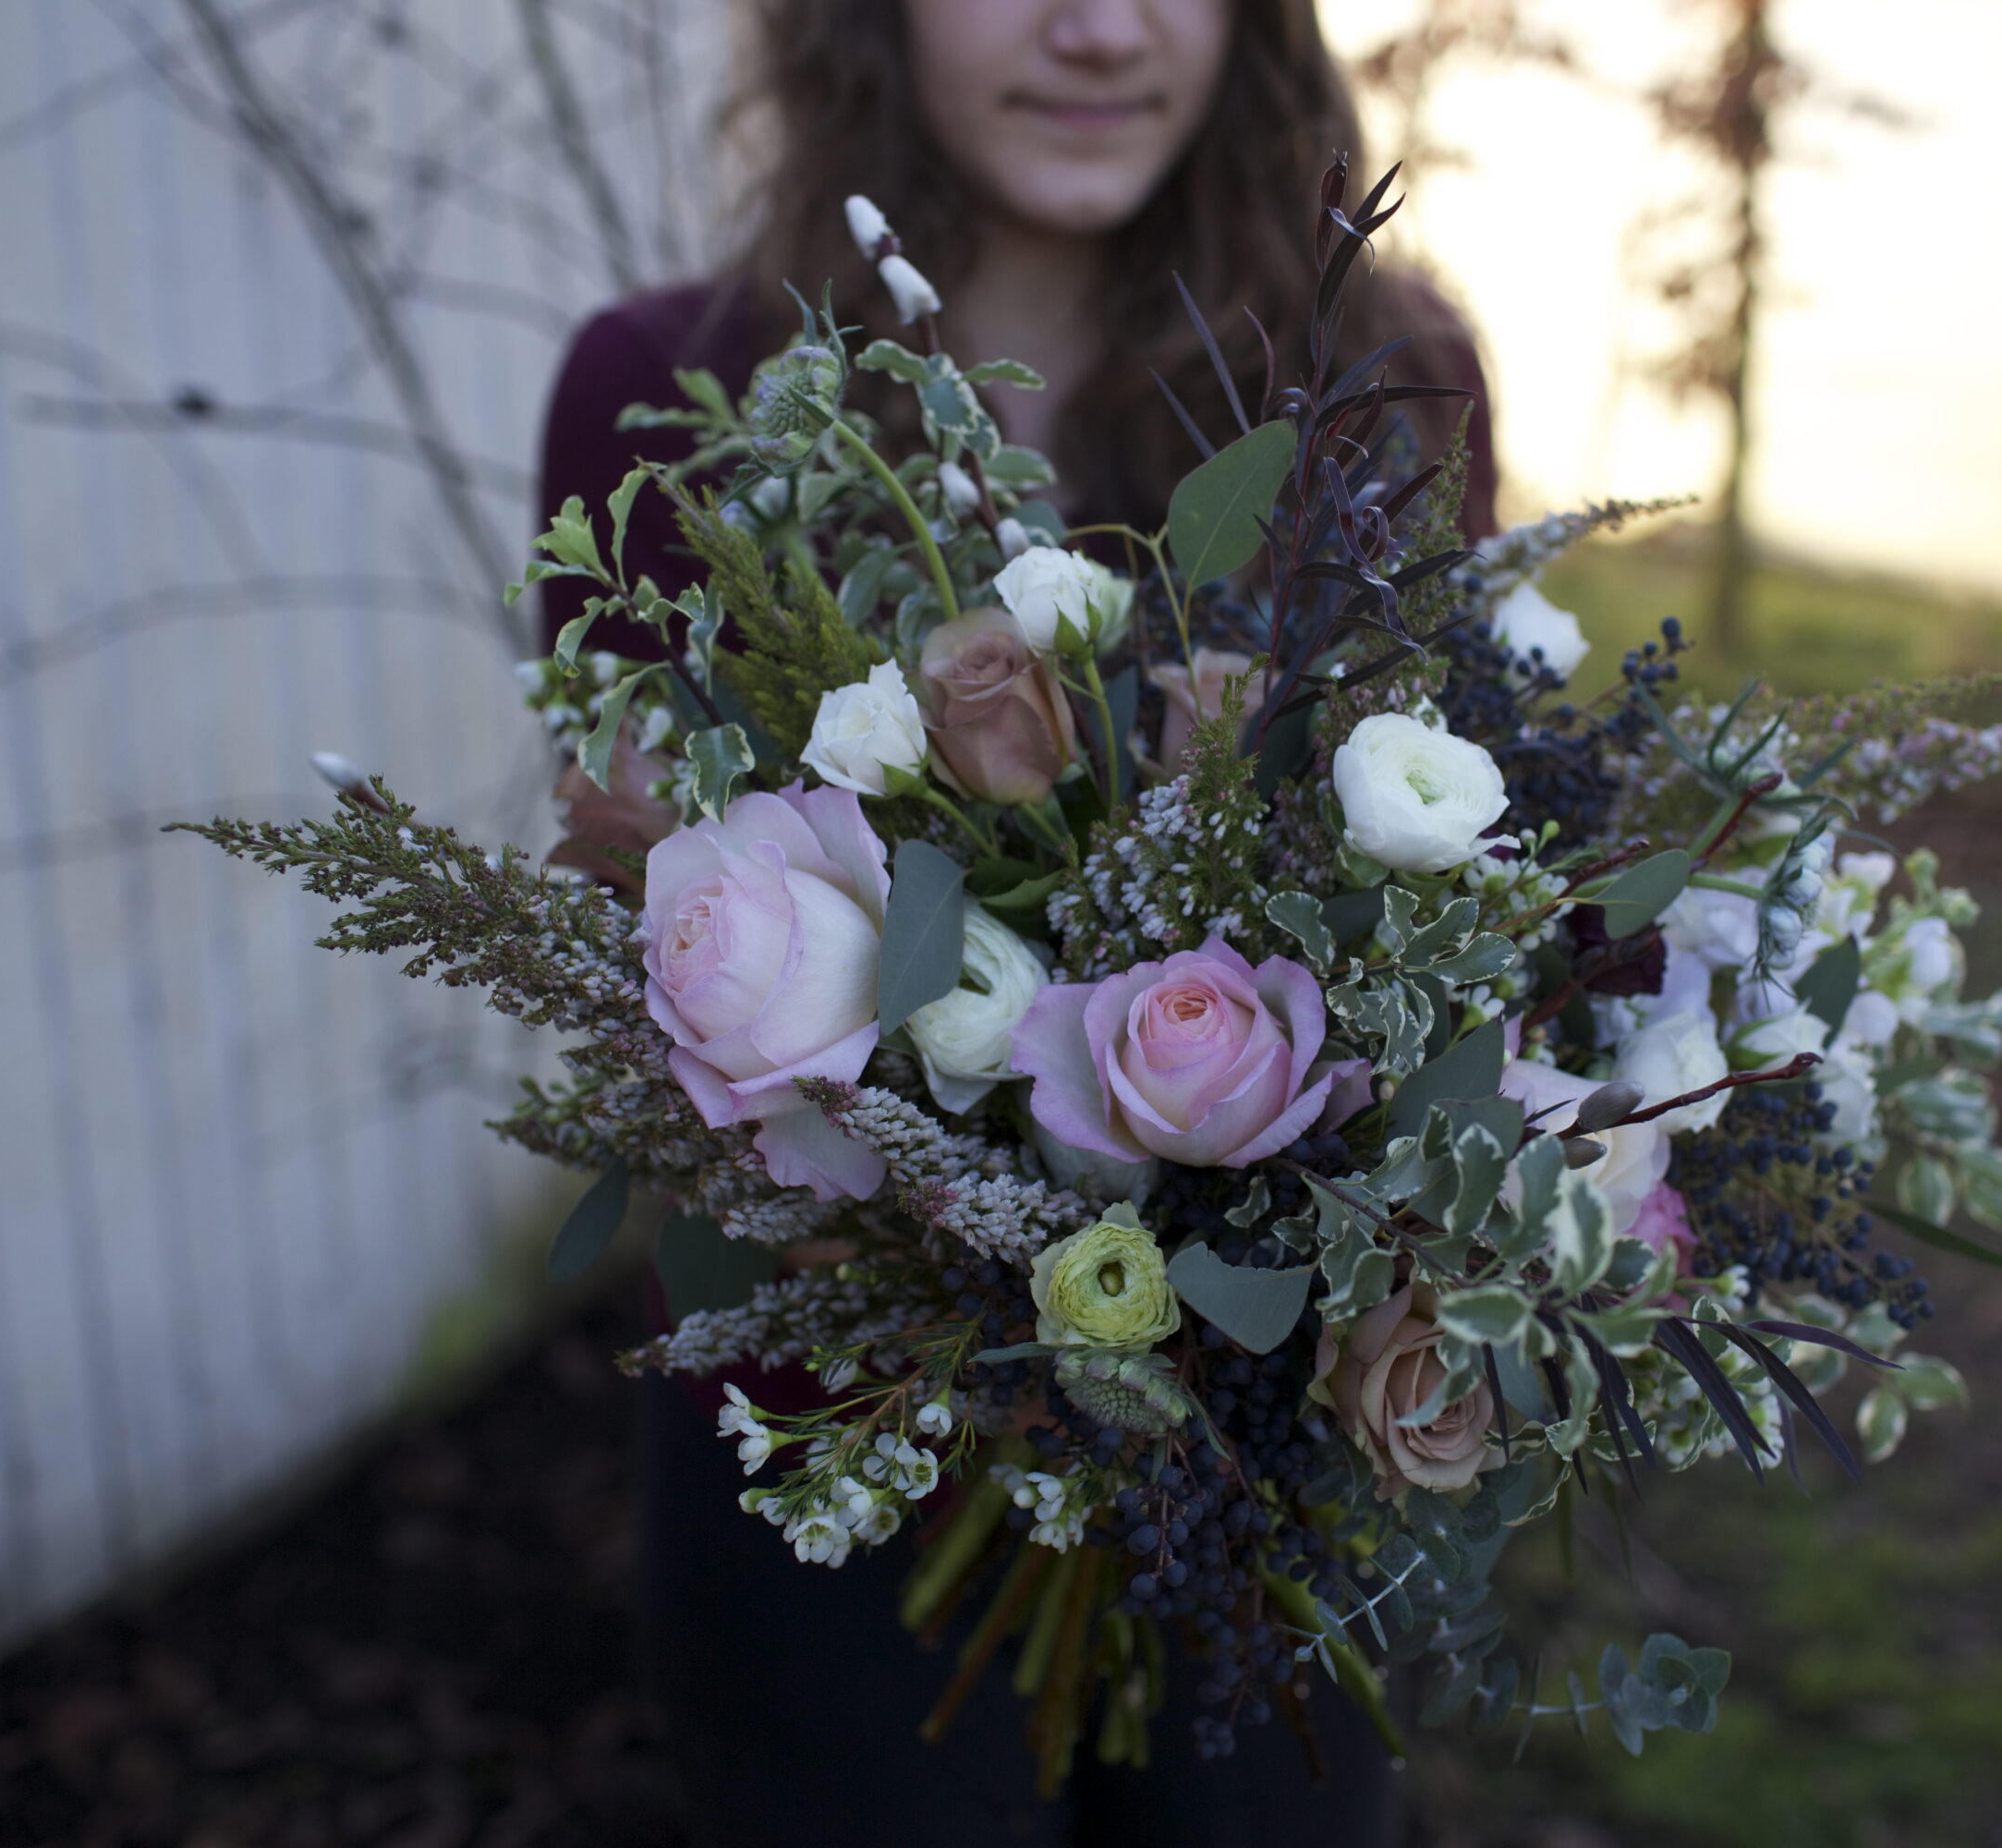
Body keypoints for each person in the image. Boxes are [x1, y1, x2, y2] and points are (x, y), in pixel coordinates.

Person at [531, 4, 1498, 1841]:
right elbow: (653, 939)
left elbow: (1450, 871)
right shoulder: (665, 394)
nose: (1096, 28)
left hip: (1267, 1429)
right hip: (840, 1438)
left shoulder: (1387, 368)